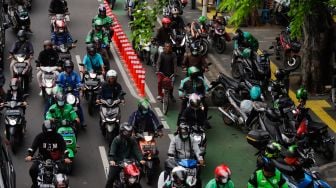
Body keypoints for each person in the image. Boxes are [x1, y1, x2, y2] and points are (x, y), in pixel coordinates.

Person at [25, 120, 72, 188]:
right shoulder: (39, 136)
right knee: (32, 170)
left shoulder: (59, 137)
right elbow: (33, 147)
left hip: (56, 160)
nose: (50, 135)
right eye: (48, 133)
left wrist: (66, 157)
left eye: (52, 132)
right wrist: (30, 155)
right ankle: (35, 184)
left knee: (64, 170)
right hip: (41, 159)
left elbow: (64, 148)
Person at [105, 123, 145, 188]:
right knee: (110, 179)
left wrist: (141, 159)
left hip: (129, 162)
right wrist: (112, 160)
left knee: (140, 173)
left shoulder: (132, 140)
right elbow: (112, 151)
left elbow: (137, 150)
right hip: (117, 162)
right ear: (121, 132)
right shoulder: (116, 140)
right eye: (126, 132)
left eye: (129, 132)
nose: (128, 134)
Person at [56, 60, 85, 127]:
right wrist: (60, 89)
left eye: (70, 67)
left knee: (78, 105)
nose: (69, 69)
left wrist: (80, 86)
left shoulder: (75, 74)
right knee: (59, 104)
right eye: (67, 67)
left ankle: (82, 121)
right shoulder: (61, 75)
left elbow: (79, 82)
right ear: (65, 68)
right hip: (64, 93)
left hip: (74, 92)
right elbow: (58, 84)